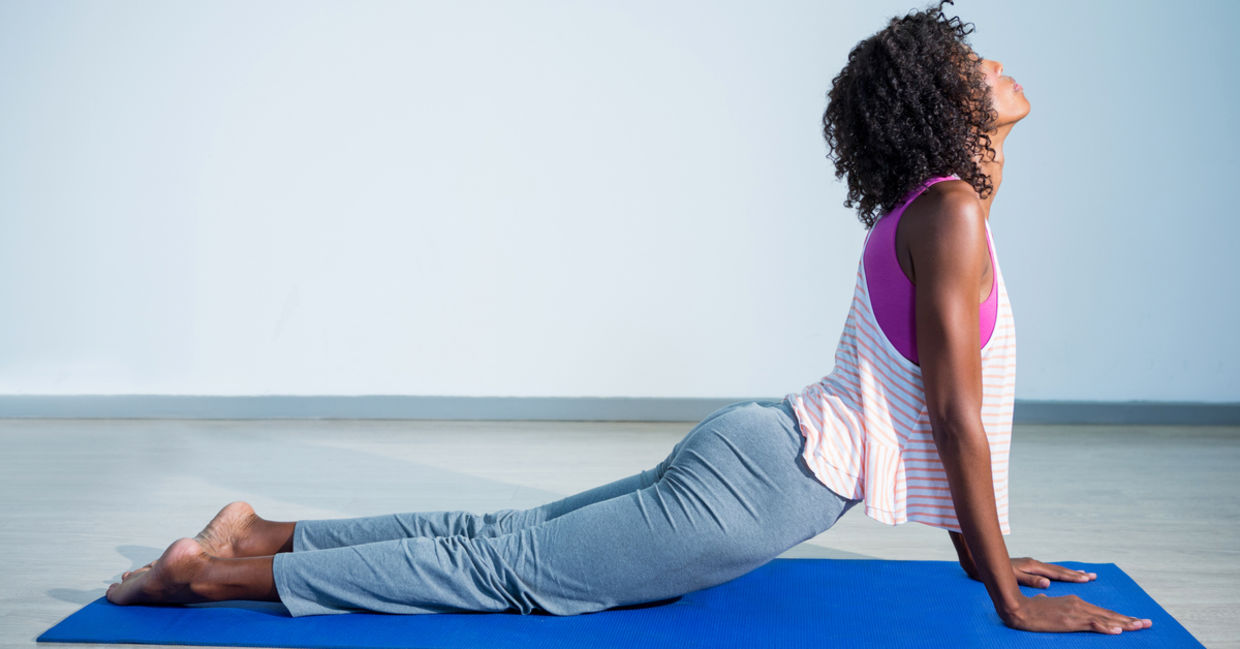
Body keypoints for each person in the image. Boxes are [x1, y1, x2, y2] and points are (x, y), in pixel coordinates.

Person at [107, 0, 1152, 635]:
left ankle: (260, 528)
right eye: (969, 65)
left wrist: (987, 554)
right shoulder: (953, 214)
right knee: (507, 570)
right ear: (944, 105)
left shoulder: (938, 209)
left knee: (501, 535)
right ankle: (209, 575)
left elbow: (938, 403)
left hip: (757, 450)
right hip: (761, 487)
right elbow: (954, 418)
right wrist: (1005, 598)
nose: (994, 63)